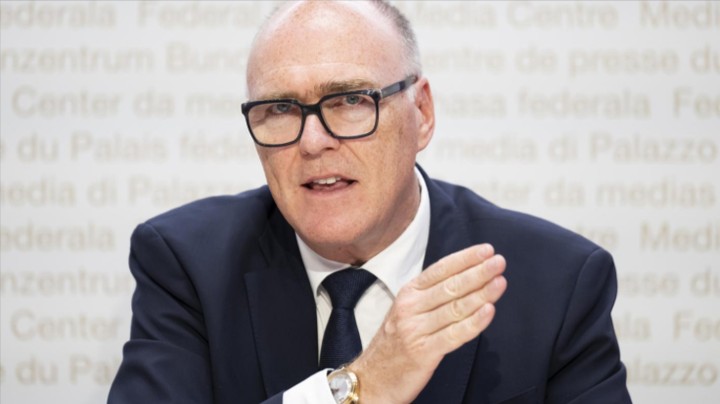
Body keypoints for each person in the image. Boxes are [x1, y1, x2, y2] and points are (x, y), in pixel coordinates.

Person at [108, 1, 631, 403]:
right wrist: (362, 385)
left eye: (350, 101)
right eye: (280, 109)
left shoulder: (557, 282)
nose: (313, 141)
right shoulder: (188, 264)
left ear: (422, 113)